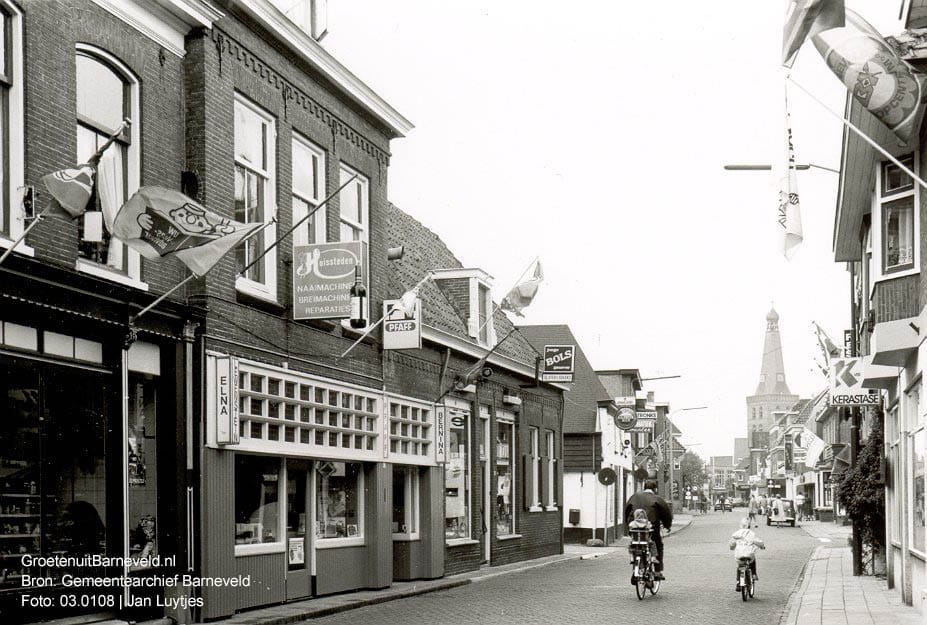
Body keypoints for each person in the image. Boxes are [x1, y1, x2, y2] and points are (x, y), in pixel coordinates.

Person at [625, 479, 673, 580]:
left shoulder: (634, 497)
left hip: (634, 528)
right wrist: (667, 526)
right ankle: (657, 571)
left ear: (644, 488)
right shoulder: (657, 499)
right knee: (657, 544)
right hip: (651, 528)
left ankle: (635, 562)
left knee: (635, 543)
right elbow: (666, 514)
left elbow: (627, 510)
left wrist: (627, 525)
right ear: (654, 489)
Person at [730, 517, 766, 591]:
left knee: (740, 566)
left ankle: (739, 582)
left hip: (739, 554)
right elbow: (758, 542)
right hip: (749, 553)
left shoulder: (736, 533)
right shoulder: (751, 533)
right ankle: (753, 574)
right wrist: (762, 546)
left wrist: (732, 548)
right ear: (749, 526)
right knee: (752, 561)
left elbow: (732, 544)